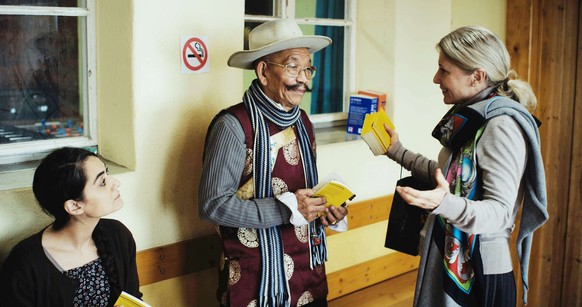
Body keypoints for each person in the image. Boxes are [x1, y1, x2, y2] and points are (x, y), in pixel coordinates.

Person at [382, 26, 548, 306]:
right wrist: (397, 152)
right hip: (452, 257)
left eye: (444, 70)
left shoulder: (501, 126)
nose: (436, 78)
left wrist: (443, 203)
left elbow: (499, 212)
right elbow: (451, 176)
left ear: (477, 77)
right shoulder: (476, 117)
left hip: (478, 274)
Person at [198, 19, 348, 307]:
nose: (304, 79)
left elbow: (304, 192)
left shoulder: (303, 122)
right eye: (293, 67)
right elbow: (212, 205)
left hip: (307, 270)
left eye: (308, 68)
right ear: (264, 71)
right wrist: (287, 208)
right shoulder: (233, 126)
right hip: (257, 279)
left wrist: (327, 209)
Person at [0, 147, 142, 306]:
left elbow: (133, 299)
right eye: (102, 182)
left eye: (107, 174)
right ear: (74, 206)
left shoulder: (118, 235)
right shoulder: (25, 263)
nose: (116, 183)